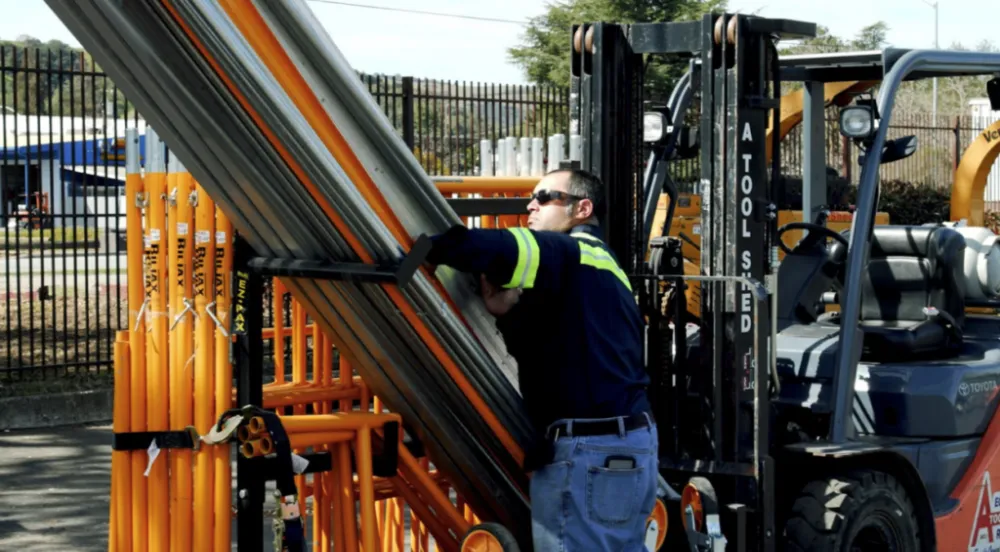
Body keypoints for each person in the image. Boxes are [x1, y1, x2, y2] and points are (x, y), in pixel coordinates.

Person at [425, 168, 658, 551]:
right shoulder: (601, 266)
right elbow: (562, 349)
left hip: (589, 452)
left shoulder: (570, 251)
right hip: (628, 443)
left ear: (583, 208)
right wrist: (509, 314)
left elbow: (499, 247)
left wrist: (429, 248)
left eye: (546, 197)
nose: (531, 206)